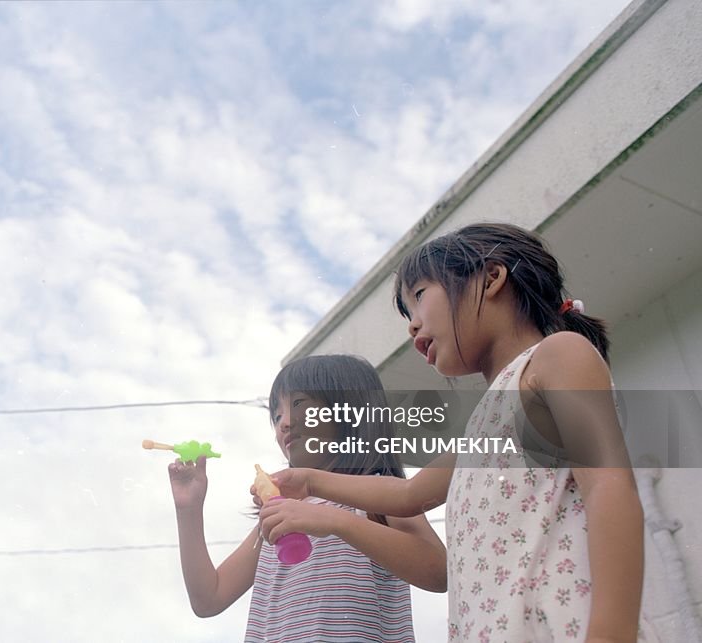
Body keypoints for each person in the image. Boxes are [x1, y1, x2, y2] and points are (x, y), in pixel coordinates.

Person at [258, 223, 644, 641]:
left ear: (492, 278)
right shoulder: (486, 424)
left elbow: (609, 487)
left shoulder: (558, 354)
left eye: (419, 297)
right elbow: (409, 495)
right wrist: (309, 480)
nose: (412, 325)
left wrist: (610, 633)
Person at [168, 354, 446, 642]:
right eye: (276, 415)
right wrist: (188, 508)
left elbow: (438, 572)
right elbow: (208, 598)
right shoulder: (280, 514)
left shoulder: (381, 494)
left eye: (299, 405)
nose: (284, 423)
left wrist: (336, 520)